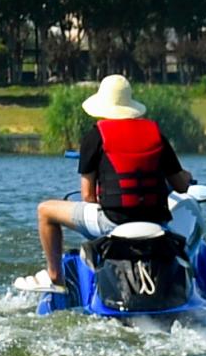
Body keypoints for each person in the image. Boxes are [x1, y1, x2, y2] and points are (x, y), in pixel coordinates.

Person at [31, 74, 194, 288]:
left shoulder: (94, 136)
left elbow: (88, 196)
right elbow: (181, 185)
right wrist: (186, 176)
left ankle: (55, 277)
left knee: (45, 211)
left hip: (113, 221)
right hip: (157, 223)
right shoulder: (156, 134)